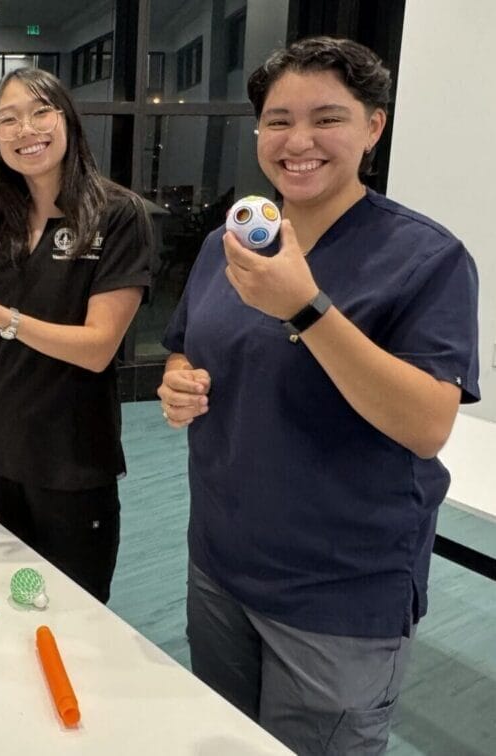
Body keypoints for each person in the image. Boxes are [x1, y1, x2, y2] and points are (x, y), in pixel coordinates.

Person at [157, 37, 479, 754]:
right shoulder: (226, 245)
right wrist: (178, 381)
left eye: (327, 118)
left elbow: (427, 425)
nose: (298, 141)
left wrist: (305, 308)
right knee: (227, 740)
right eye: (279, 121)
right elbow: (186, 346)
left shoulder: (427, 259)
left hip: (338, 592)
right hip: (220, 559)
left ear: (373, 127)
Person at [0, 68, 153, 603]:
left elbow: (98, 348)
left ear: (67, 120)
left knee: (75, 610)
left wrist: (0, 315)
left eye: (41, 112)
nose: (26, 130)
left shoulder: (115, 215)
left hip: (71, 456)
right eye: (8, 120)